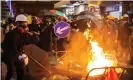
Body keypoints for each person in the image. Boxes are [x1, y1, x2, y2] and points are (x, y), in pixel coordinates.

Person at [2, 14, 29, 80]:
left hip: (18, 54)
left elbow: (21, 44)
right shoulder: (12, 34)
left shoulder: (22, 33)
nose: (25, 25)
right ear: (17, 24)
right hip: (10, 55)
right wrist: (18, 55)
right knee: (11, 71)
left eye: (25, 23)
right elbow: (12, 46)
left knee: (21, 70)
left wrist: (22, 53)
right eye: (23, 23)